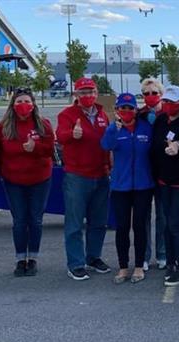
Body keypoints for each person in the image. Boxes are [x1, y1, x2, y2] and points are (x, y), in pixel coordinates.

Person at [0, 87, 55, 277]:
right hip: (14, 181)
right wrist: (5, 173)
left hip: (39, 180)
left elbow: (50, 150)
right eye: (19, 102)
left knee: (35, 220)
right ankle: (21, 259)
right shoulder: (2, 127)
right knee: (19, 221)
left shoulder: (43, 124)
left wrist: (35, 147)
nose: (23, 105)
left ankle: (33, 258)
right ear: (12, 105)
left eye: (27, 102)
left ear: (33, 104)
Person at [56, 77, 112, 281]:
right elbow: (60, 136)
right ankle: (76, 263)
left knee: (99, 221)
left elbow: (106, 141)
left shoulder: (102, 114)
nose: (87, 96)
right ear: (76, 95)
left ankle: (93, 257)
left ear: (96, 93)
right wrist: (73, 133)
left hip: (101, 173)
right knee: (74, 223)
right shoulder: (67, 114)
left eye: (91, 91)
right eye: (83, 92)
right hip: (77, 176)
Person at [101, 93, 155, 284]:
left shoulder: (146, 128)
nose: (126, 111)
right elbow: (106, 145)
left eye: (130, 108)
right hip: (120, 186)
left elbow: (154, 150)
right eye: (122, 108)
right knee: (122, 227)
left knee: (140, 226)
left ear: (135, 109)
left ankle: (139, 266)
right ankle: (123, 267)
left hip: (143, 185)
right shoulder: (114, 128)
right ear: (117, 110)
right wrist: (113, 130)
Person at [150, 85, 179, 286]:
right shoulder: (160, 120)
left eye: (173, 102)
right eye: (166, 101)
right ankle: (170, 262)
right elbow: (154, 146)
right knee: (166, 223)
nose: (168, 105)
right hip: (162, 180)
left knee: (175, 223)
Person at [139, 78, 166, 271]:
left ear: (161, 94)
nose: (150, 97)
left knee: (163, 215)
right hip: (144, 171)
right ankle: (144, 255)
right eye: (146, 93)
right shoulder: (139, 115)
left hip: (165, 170)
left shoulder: (169, 112)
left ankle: (163, 253)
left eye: (154, 93)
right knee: (143, 216)